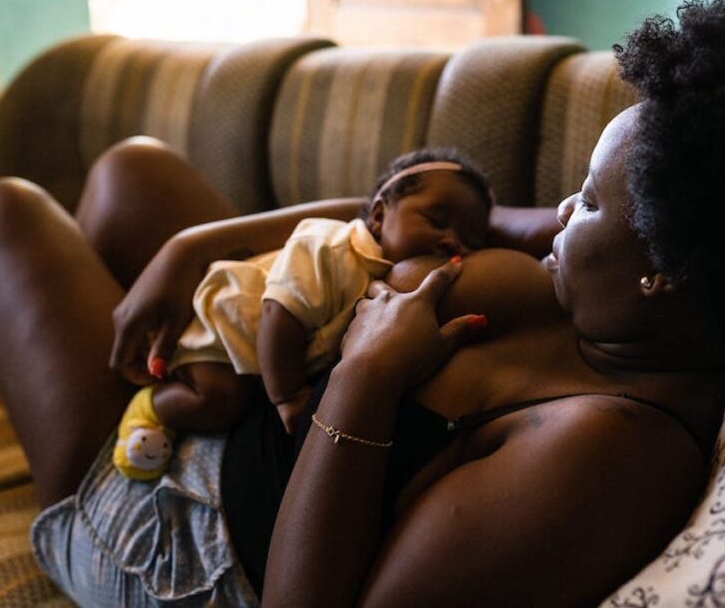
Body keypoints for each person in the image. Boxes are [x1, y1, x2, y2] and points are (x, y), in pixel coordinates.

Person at [0, 0, 725, 605]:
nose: (558, 210)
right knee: (136, 175)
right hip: (250, 401)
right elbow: (406, 208)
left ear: (671, 267)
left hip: (193, 539)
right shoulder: (609, 292)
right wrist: (202, 243)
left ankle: (53, 413)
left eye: (592, 198)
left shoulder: (601, 456)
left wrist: (365, 373)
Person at [112, 148, 493, 480]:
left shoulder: (379, 274)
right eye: (437, 220)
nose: (451, 240)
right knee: (218, 400)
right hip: (221, 330)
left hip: (257, 353)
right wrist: (289, 395)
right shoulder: (331, 249)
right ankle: (149, 405)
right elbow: (281, 315)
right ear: (378, 215)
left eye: (469, 241)